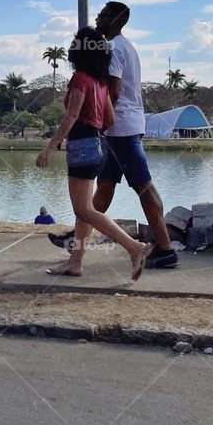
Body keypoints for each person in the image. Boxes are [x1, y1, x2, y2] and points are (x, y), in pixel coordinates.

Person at [49, 2, 179, 269]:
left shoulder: (115, 48)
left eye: (104, 13)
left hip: (120, 129)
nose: (98, 16)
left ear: (117, 20)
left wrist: (91, 115)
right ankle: (77, 242)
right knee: (105, 187)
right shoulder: (122, 46)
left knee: (144, 186)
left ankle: (164, 248)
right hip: (117, 127)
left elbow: (114, 92)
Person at [36, 26, 153, 280]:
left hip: (82, 146)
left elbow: (72, 115)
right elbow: (109, 119)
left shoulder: (80, 78)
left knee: (85, 211)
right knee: (84, 209)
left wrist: (50, 147)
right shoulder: (100, 83)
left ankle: (135, 248)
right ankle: (75, 262)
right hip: (99, 145)